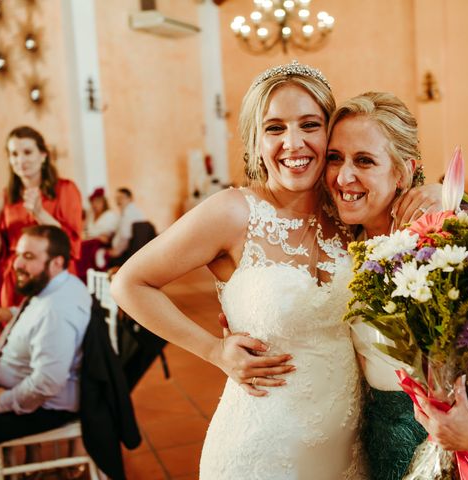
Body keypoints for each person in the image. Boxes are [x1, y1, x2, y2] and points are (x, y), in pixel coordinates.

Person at [111, 62, 366, 478]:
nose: (294, 143)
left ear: (329, 133)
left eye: (309, 125)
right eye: (275, 128)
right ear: (255, 140)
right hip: (262, 448)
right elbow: (129, 283)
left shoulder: (349, 212)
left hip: (349, 448)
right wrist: (213, 350)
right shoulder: (232, 213)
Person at [324, 92, 468, 480]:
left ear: (404, 171)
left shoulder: (447, 239)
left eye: (364, 160)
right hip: (387, 439)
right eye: (334, 158)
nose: (344, 176)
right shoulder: (335, 242)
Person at [0, 225, 91, 448]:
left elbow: (47, 382)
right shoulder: (58, 283)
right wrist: (1, 313)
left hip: (42, 407)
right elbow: (35, 319)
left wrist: (2, 401)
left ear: (57, 262)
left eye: (28, 257)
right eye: (18, 254)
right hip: (21, 393)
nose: (17, 264)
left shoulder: (56, 311)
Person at [0, 126, 83, 308]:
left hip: (53, 279)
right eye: (14, 154)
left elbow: (70, 244)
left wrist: (39, 213)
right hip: (17, 285)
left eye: (27, 152)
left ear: (43, 155)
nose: (21, 160)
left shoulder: (66, 189)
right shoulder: (6, 197)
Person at [107, 187, 146, 261]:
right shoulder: (136, 212)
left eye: (121, 197)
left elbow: (125, 236)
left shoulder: (128, 214)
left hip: (126, 254)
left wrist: (117, 251)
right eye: (116, 198)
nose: (118, 201)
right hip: (135, 253)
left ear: (130, 198)